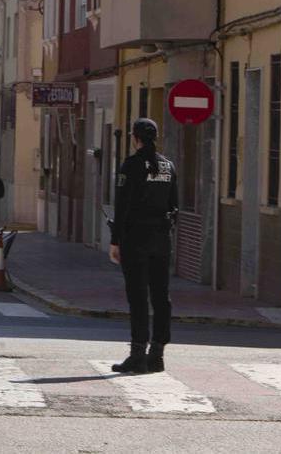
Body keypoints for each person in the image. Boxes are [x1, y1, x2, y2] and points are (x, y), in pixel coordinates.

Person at [109, 118, 178, 375]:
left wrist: (115, 241)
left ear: (135, 137)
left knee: (138, 296)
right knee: (161, 297)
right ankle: (157, 355)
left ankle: (138, 354)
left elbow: (122, 206)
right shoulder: (168, 167)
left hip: (135, 240)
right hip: (161, 240)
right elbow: (175, 205)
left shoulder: (131, 165)